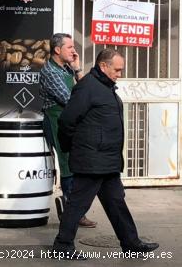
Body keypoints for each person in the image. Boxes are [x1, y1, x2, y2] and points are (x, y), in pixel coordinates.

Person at [52, 48, 159, 259]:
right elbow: (66, 121)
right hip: (92, 160)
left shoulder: (105, 86)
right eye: (117, 70)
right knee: (78, 204)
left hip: (106, 160)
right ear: (103, 66)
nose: (120, 74)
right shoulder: (87, 88)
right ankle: (62, 245)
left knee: (116, 202)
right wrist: (71, 148)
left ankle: (131, 244)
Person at [39, 33, 97, 228]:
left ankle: (73, 209)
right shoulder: (50, 72)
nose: (74, 51)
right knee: (67, 164)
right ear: (57, 50)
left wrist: (78, 68)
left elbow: (84, 90)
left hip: (70, 120)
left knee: (76, 163)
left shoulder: (66, 69)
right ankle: (72, 211)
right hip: (57, 121)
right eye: (70, 47)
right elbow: (71, 100)